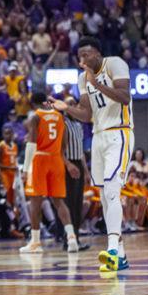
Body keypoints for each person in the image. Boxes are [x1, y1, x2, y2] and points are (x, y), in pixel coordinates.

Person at [50, 36, 134, 272]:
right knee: (105, 196)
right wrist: (67, 108)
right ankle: (121, 256)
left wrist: (96, 83)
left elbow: (124, 97)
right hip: (98, 137)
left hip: (120, 132)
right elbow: (86, 114)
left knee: (111, 189)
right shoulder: (81, 79)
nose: (83, 60)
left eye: (86, 55)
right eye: (80, 57)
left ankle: (113, 252)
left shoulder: (115, 64)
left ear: (98, 54)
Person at [20, 92, 80, 254]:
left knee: (35, 203)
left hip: (40, 159)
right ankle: (72, 238)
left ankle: (35, 242)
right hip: (56, 160)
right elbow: (64, 143)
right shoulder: (59, 116)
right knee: (59, 202)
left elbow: (31, 145)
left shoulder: (35, 117)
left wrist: (25, 169)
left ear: (33, 104)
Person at [62, 97, 91, 251]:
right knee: (69, 203)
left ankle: (76, 239)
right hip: (68, 164)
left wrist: (86, 172)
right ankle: (68, 239)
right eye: (70, 104)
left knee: (78, 204)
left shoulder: (79, 125)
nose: (73, 106)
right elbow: (60, 150)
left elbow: (81, 153)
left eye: (74, 103)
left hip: (78, 164)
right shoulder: (63, 123)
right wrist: (68, 165)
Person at [0, 125, 18, 206]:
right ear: (3, 135)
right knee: (5, 195)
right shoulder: (0, 146)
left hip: (13, 174)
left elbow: (14, 160)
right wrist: (9, 167)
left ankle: (13, 216)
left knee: (13, 195)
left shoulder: (15, 146)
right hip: (4, 174)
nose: (9, 135)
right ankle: (4, 215)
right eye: (7, 134)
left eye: (10, 133)